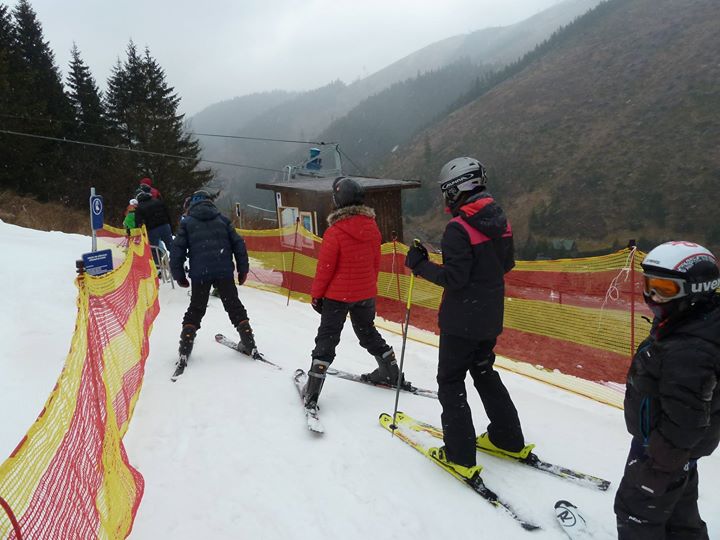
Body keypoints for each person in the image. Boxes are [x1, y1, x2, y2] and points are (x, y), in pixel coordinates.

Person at [404, 156, 530, 478]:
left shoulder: (458, 228)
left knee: (450, 382)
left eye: (446, 192)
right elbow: (506, 264)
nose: (445, 199)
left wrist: (419, 265)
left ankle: (459, 455)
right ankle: (507, 438)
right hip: (489, 316)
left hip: (461, 321)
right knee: (484, 371)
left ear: (456, 189)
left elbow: (454, 279)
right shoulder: (500, 220)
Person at [614, 241, 720, 540]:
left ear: (697, 290)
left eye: (664, 289)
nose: (653, 296)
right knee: (679, 514)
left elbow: (685, 420)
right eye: (649, 286)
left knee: (636, 514)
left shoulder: (690, 349)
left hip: (663, 451)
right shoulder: (690, 322)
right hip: (675, 451)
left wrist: (659, 465)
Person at [302, 176, 409, 411]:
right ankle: (391, 372)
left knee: (327, 338)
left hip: (337, 296)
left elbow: (325, 268)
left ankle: (312, 390)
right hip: (365, 293)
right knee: (367, 332)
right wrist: (368, 287)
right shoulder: (372, 227)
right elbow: (374, 263)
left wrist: (316, 295)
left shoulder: (335, 232)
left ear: (338, 201)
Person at [170, 190, 257, 369]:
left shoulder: (187, 223)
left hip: (200, 273)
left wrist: (179, 276)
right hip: (224, 271)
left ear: (191, 204)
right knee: (234, 305)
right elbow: (239, 245)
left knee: (196, 309)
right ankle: (249, 342)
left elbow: (177, 251)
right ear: (209, 202)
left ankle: (185, 347)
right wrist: (243, 270)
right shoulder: (223, 220)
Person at [134, 188, 174, 268]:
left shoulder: (139, 207)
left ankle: (158, 267)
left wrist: (139, 232)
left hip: (152, 229)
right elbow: (167, 213)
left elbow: (138, 222)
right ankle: (177, 261)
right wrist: (170, 225)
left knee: (154, 248)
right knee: (171, 245)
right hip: (165, 226)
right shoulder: (157, 201)